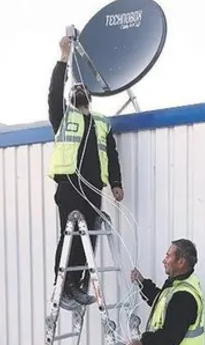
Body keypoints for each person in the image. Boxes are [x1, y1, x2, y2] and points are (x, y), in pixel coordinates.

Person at [48, 34, 124, 311]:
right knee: (70, 235)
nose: (79, 92)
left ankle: (78, 285)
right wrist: (63, 58)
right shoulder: (63, 117)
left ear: (90, 98)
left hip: (94, 188)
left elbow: (111, 154)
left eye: (84, 89)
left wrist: (115, 182)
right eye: (75, 89)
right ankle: (63, 287)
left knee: (89, 237)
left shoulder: (102, 122)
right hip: (70, 185)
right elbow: (54, 94)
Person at [128, 239, 205, 345]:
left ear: (181, 262)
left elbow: (169, 337)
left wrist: (142, 342)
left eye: (168, 256)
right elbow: (161, 301)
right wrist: (142, 282)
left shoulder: (184, 296)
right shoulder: (180, 283)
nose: (164, 261)